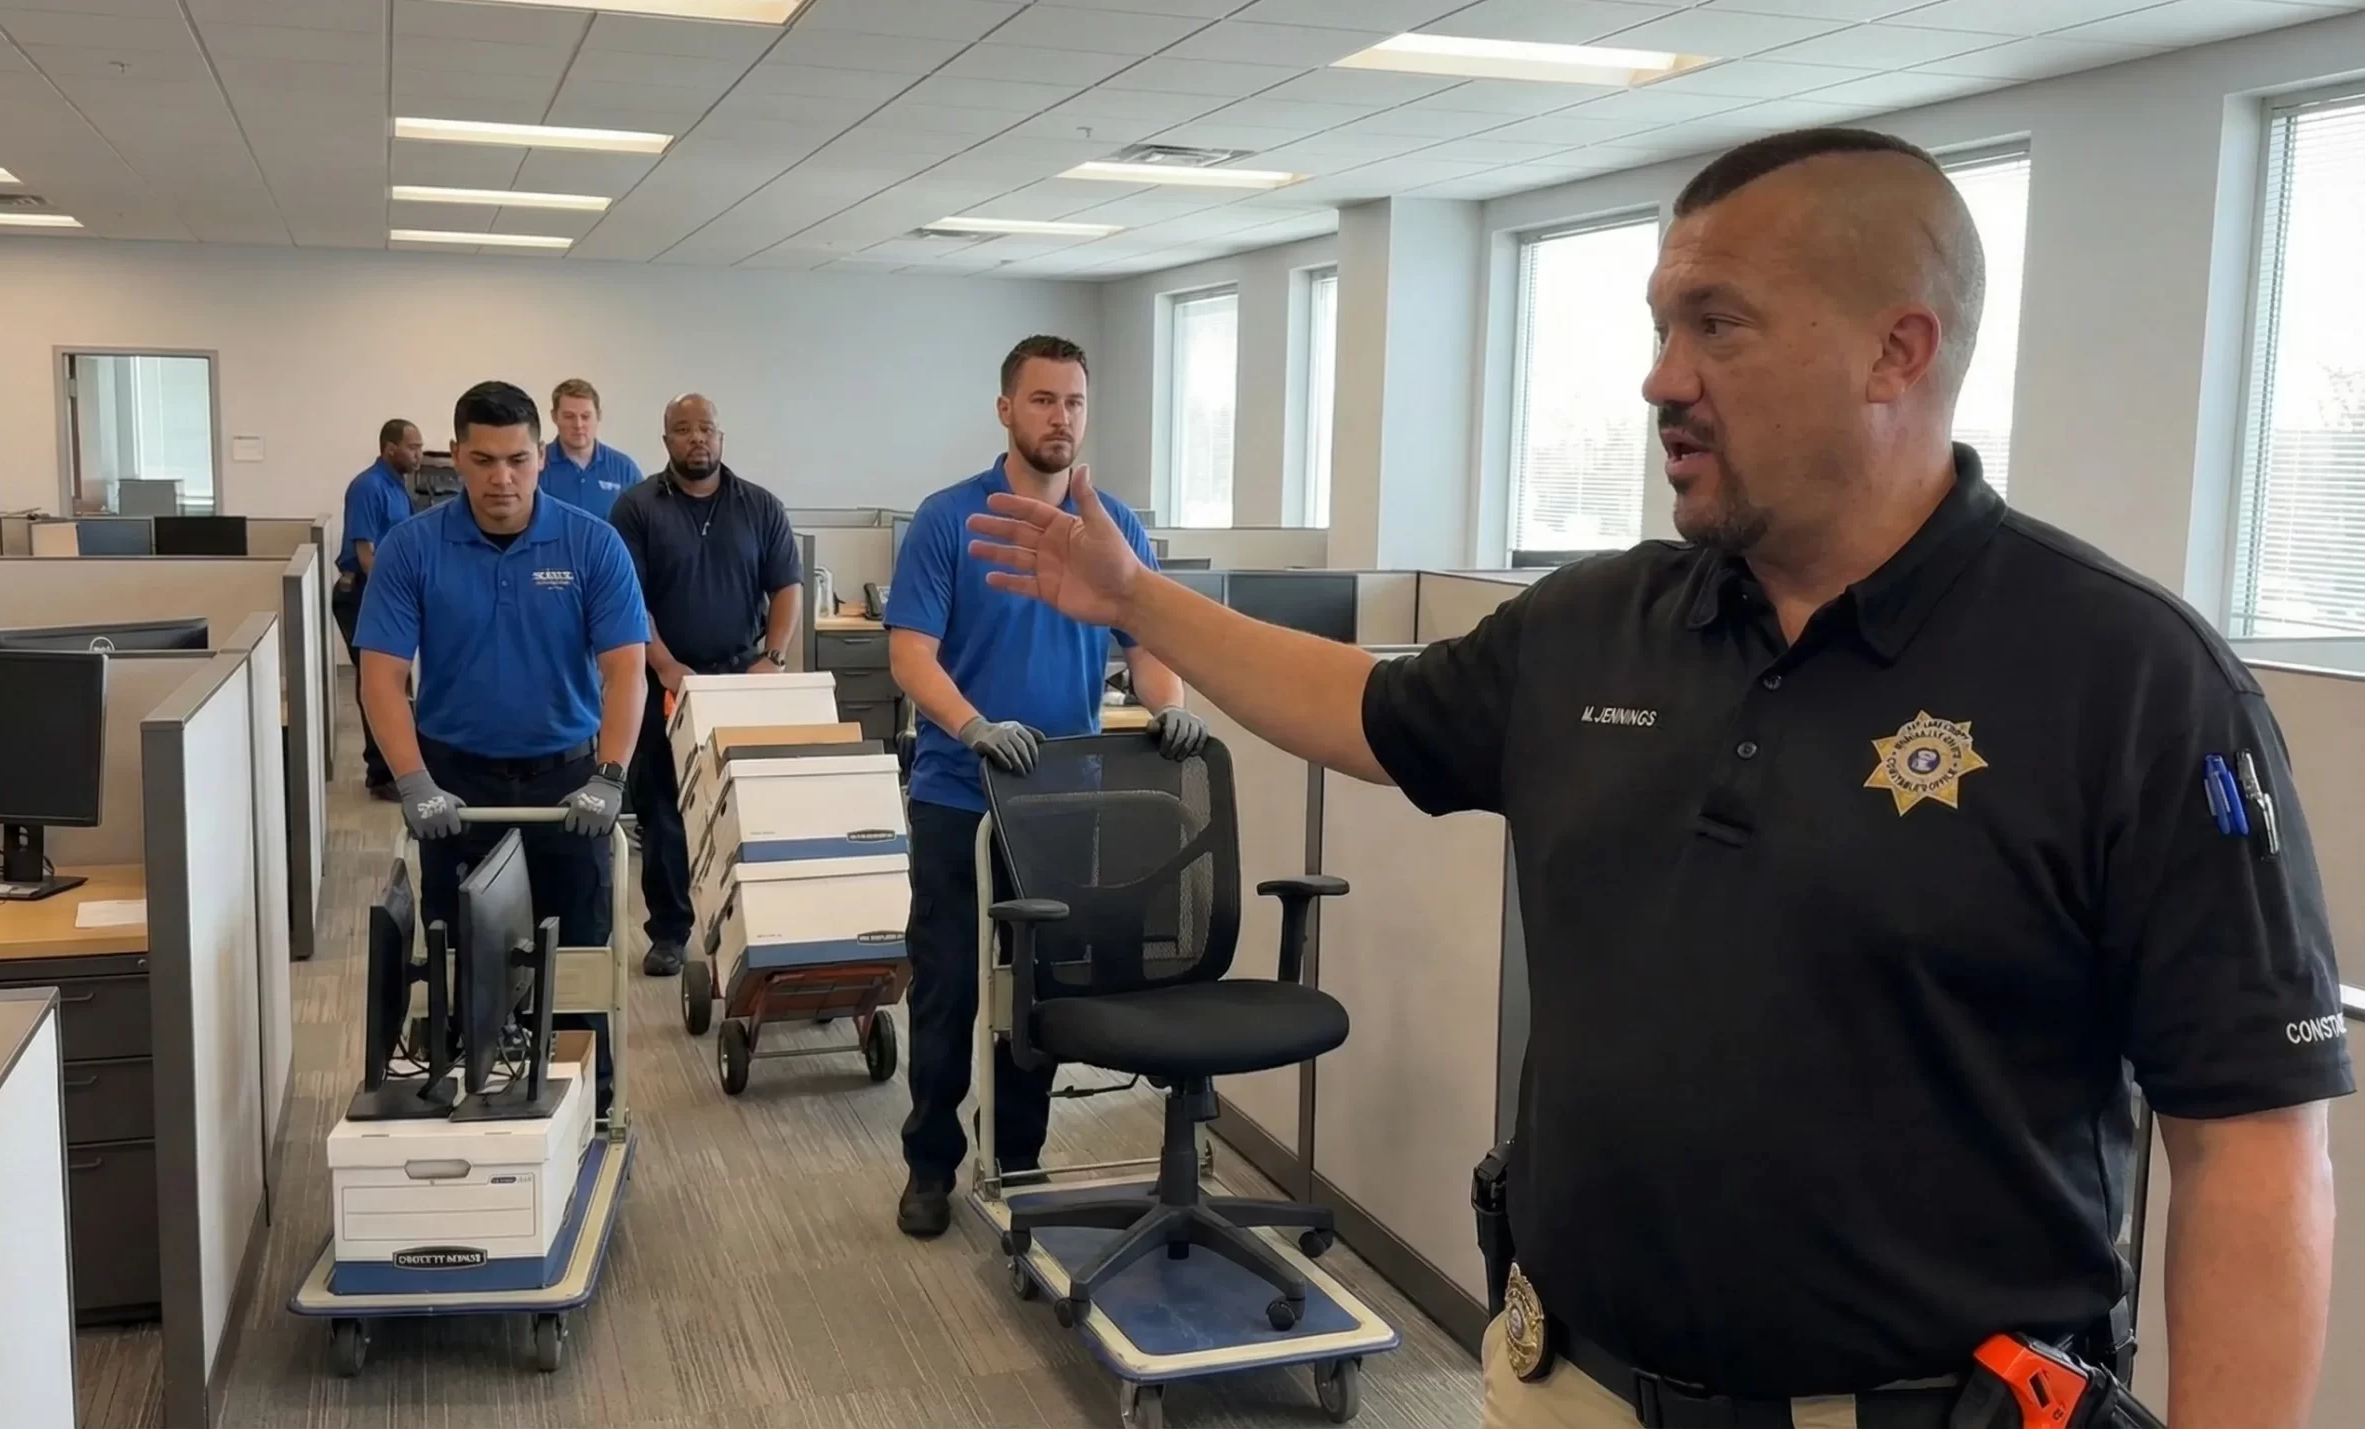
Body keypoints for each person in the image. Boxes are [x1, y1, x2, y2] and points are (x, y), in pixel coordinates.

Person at [967, 131, 2350, 1427]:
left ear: (1896, 351)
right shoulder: (1598, 622)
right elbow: (1371, 713)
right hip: (1567, 1379)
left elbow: (2250, 1150)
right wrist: (1136, 600)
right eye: (1659, 324)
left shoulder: (2128, 681)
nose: (1661, 378)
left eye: (1718, 324)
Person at [886, 335, 1209, 1239]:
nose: (1058, 417)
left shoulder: (1116, 526)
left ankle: (1019, 1154)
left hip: (1068, 800)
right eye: (1040, 400)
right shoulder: (950, 518)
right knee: (950, 988)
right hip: (961, 797)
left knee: (1039, 991)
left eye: (1072, 401)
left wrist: (1166, 708)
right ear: (1005, 410)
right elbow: (909, 651)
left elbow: (1147, 646)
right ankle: (929, 1164)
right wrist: (973, 725)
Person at [353, 380, 649, 1112]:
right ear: (455, 457)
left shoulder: (591, 542)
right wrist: (415, 781)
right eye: (482, 461)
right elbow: (381, 679)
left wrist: (610, 776)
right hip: (457, 788)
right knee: (461, 969)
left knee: (576, 961)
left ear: (542, 456)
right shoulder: (412, 547)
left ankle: (589, 1110)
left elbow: (626, 671)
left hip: (567, 786)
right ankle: (468, 1107)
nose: (501, 478)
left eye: (517, 459)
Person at [608, 392, 804, 977]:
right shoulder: (637, 508)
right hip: (664, 682)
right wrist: (665, 664)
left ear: (722, 438)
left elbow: (787, 585)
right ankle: (670, 931)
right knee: (666, 812)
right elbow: (626, 599)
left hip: (743, 677)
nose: (698, 439)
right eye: (684, 429)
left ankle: (762, 925)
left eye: (707, 429)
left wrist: (773, 655)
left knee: (752, 808)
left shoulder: (760, 506)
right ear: (666, 439)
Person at [333, 418, 421, 798]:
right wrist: (394, 594)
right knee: (378, 682)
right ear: (390, 448)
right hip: (364, 591)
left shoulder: (397, 486)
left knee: (397, 683)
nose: (419, 454)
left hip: (383, 591)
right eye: (413, 447)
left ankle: (393, 767)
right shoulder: (369, 486)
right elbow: (365, 553)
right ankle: (380, 774)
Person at [539, 377, 642, 523]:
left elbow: (642, 524)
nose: (578, 424)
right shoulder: (536, 467)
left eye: (586, 416)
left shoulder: (625, 469)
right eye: (569, 417)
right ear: (554, 417)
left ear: (598, 415)